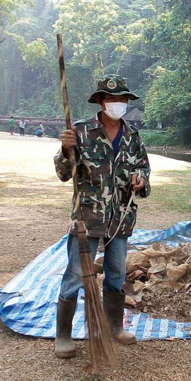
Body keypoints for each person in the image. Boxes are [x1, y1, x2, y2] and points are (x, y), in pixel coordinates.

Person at [53, 74, 151, 358]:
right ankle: (63, 335)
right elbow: (63, 173)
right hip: (87, 218)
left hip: (121, 219)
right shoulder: (80, 131)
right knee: (74, 275)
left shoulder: (133, 136)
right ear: (99, 100)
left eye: (122, 99)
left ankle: (114, 327)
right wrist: (65, 149)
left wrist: (141, 179)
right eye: (112, 99)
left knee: (117, 275)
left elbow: (144, 168)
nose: (118, 103)